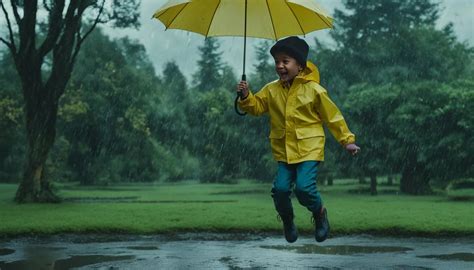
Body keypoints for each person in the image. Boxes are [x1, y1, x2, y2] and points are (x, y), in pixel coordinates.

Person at [236, 36, 360, 243]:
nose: (280, 66)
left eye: (286, 61)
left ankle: (320, 213)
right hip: (284, 151)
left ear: (300, 65)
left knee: (304, 188)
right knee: (280, 191)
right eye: (277, 62)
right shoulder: (271, 89)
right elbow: (256, 107)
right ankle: (287, 219)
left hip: (309, 148)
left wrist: (347, 140)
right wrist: (246, 96)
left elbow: (333, 116)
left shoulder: (314, 90)